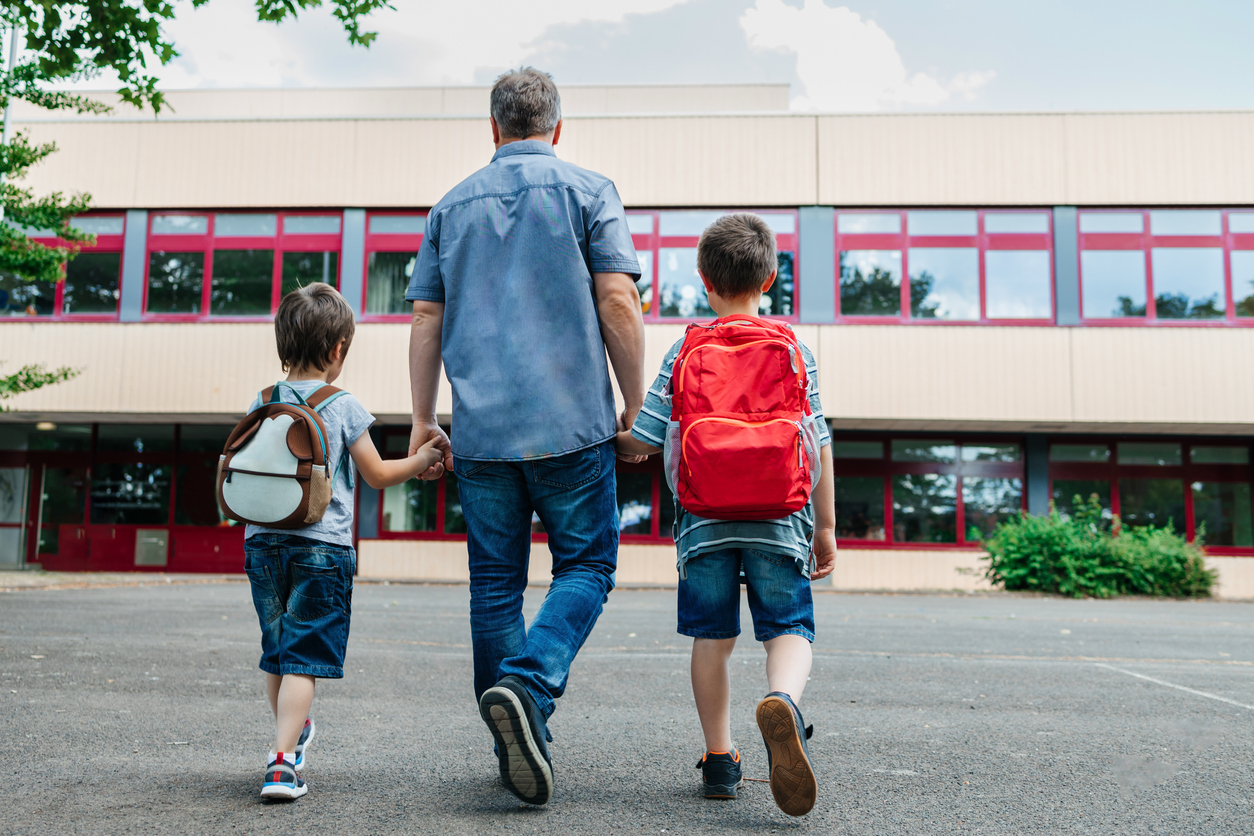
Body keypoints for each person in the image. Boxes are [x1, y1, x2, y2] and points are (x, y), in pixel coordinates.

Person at [404, 67, 646, 806]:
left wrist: (423, 419)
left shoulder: (450, 207)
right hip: (572, 428)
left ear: (494, 129)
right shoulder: (589, 192)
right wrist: (637, 408)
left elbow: (423, 320)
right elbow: (617, 301)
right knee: (588, 567)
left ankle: (516, 732)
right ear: (558, 128)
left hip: (481, 436)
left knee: (495, 587)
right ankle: (528, 688)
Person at [615, 213, 837, 817]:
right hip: (780, 517)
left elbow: (643, 439)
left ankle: (720, 760)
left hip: (704, 524)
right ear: (768, 277)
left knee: (712, 640)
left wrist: (619, 432)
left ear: (703, 279)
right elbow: (816, 442)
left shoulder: (686, 348)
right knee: (789, 627)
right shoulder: (794, 348)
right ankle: (784, 702)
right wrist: (825, 528)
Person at [243, 284, 447, 801]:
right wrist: (424, 461)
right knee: (304, 656)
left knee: (278, 651)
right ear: (338, 350)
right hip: (321, 548)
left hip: (262, 543)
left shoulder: (264, 400)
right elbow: (376, 474)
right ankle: (283, 763)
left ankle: (288, 733)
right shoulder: (342, 405)